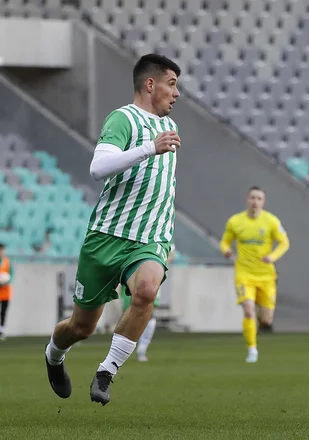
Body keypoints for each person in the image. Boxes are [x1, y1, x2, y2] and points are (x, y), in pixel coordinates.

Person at [43, 53, 182, 406]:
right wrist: (150, 147)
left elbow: (161, 185)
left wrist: (166, 234)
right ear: (151, 84)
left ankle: (107, 371)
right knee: (81, 327)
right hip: (107, 237)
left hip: (149, 239)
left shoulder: (172, 128)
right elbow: (98, 167)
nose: (176, 93)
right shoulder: (124, 119)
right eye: (172, 83)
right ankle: (54, 355)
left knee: (147, 290)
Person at [220, 186, 290, 363]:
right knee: (248, 311)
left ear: (263, 202)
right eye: (253, 197)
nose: (255, 201)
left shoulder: (271, 221)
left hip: (266, 276)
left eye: (259, 198)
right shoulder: (235, 221)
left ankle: (261, 315)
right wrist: (226, 250)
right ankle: (252, 349)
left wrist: (272, 256)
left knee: (266, 320)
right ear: (247, 199)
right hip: (244, 274)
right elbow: (225, 241)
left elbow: (284, 243)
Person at [118, 243, 176, 362]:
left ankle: (141, 349)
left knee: (149, 314)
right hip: (131, 274)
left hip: (151, 275)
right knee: (127, 315)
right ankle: (120, 350)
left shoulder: (165, 229)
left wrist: (157, 263)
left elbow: (171, 254)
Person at [0, 243, 13, 341]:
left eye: (2, 250)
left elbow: (11, 275)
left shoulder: (7, 262)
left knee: (3, 311)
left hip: (5, 292)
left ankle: (2, 330)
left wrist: (6, 280)